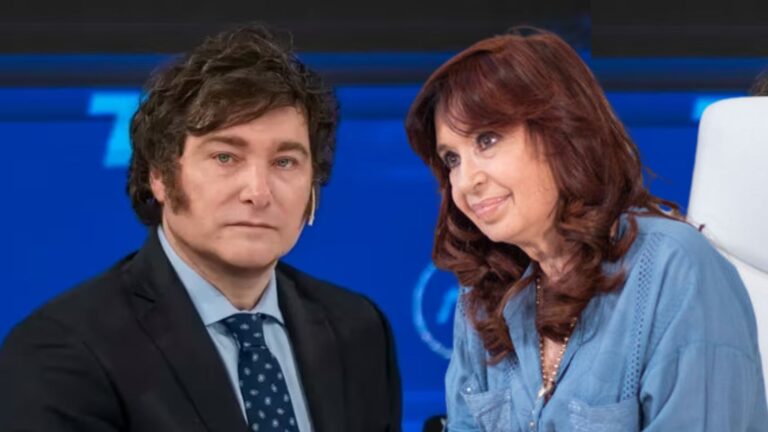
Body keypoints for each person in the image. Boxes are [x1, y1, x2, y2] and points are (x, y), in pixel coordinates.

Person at [0, 24, 401, 432]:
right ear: (159, 175)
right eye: (225, 157)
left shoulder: (359, 330)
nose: (258, 192)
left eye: (285, 162)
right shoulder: (62, 351)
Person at [405, 29, 767, 431]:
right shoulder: (482, 294)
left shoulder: (676, 269)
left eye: (487, 140)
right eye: (452, 159)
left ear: (561, 133)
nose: (466, 180)